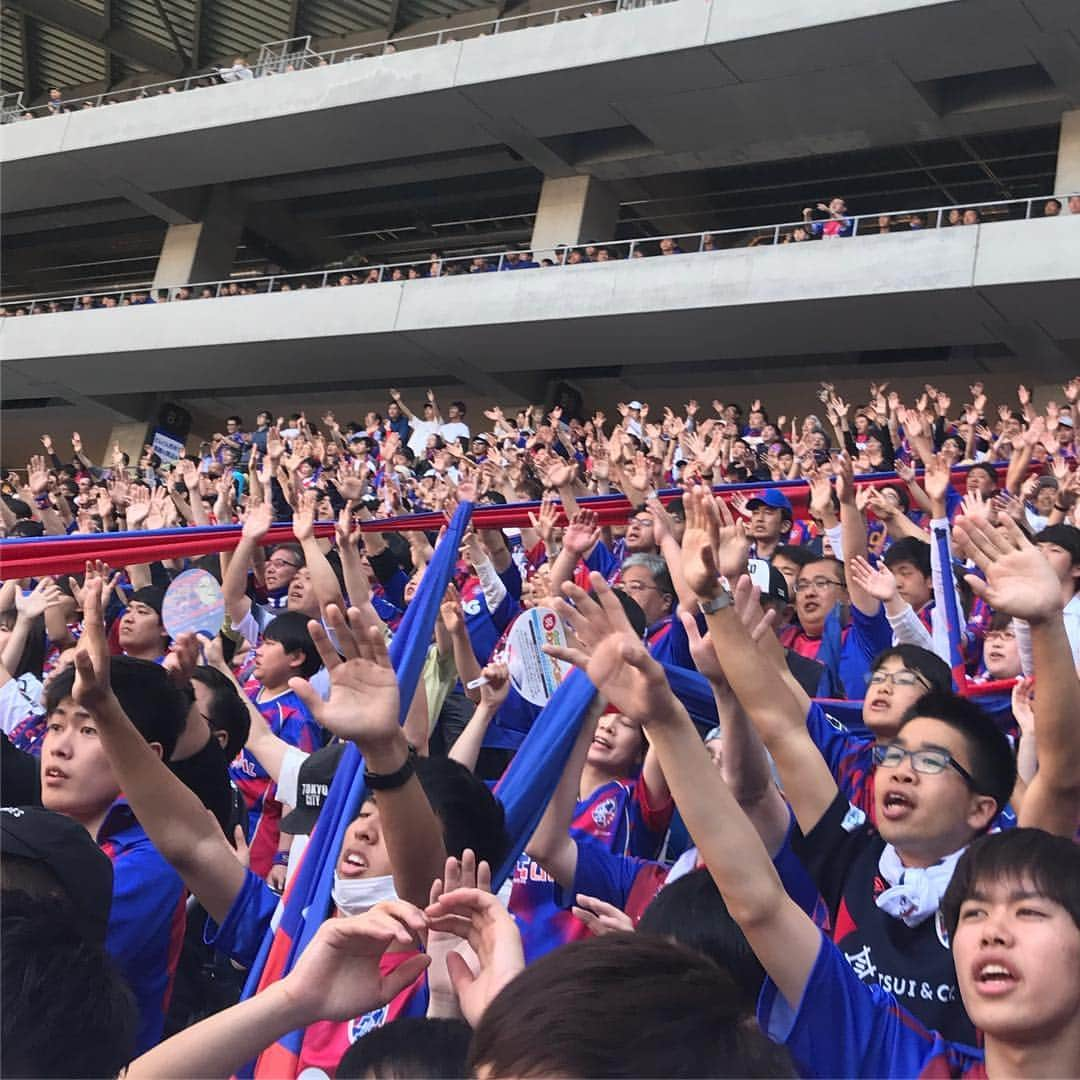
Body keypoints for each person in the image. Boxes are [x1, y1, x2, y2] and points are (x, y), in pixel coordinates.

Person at [40, 587, 188, 1054]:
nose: (59, 747)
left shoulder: (151, 864)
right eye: (55, 725)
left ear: (144, 756)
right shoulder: (39, 832)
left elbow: (38, 975)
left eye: (88, 729)